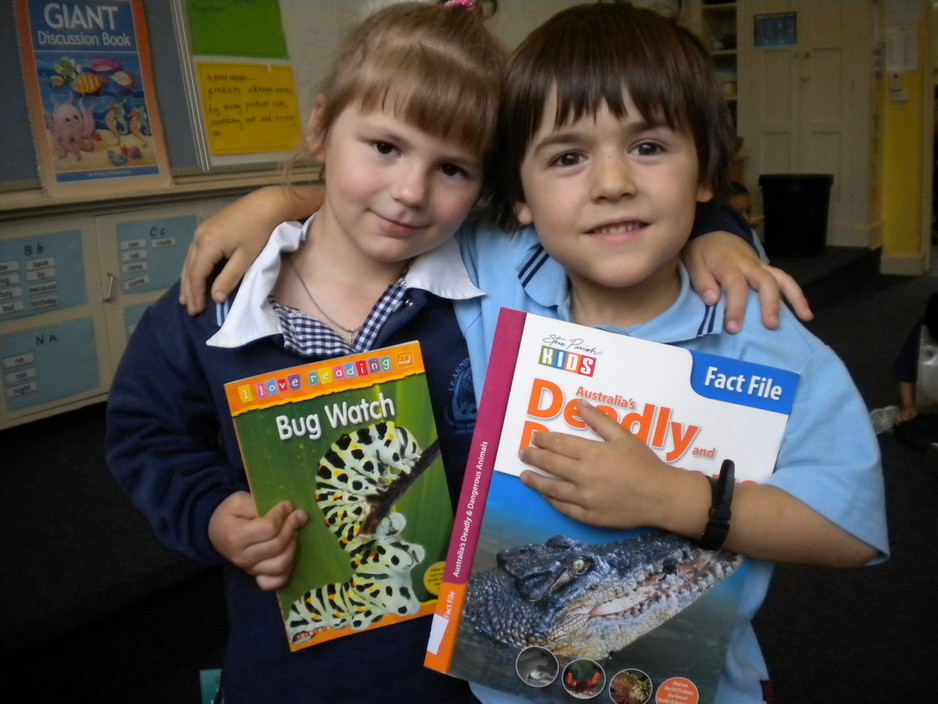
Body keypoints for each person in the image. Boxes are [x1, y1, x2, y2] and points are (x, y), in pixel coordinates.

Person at [172, 6, 856, 704]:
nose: (611, 182)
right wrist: (282, 201)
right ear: (519, 199)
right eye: (567, 157)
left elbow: (850, 528)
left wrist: (674, 498)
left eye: (647, 147)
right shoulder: (497, 268)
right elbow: (405, 197)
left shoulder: (756, 324)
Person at [106, 3, 506, 703]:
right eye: (385, 147)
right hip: (290, 674)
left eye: (453, 169)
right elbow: (146, 432)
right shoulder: (216, 302)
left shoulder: (487, 298)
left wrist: (718, 230)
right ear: (321, 127)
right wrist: (210, 511)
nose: (410, 192)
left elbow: (606, 210)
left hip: (459, 677)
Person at [891, 291, 938, 455]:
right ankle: (932, 449)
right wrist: (909, 407)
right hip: (929, 405)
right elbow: (905, 372)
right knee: (905, 426)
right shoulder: (922, 333)